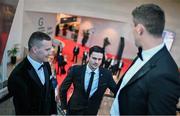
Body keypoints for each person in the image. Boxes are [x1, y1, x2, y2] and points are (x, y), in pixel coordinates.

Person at [110, 4, 180, 115]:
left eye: (133, 26)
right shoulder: (143, 54)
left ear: (139, 30)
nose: (131, 30)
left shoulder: (166, 73)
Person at [8, 31, 57, 115]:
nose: (51, 52)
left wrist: (53, 112)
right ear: (34, 49)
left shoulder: (46, 64)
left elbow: (50, 91)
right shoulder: (18, 75)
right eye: (47, 49)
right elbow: (23, 109)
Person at [59, 45, 117, 115]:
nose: (96, 62)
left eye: (99, 59)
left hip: (91, 112)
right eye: (94, 58)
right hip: (73, 110)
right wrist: (64, 106)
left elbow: (116, 90)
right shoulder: (76, 70)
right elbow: (63, 88)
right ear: (88, 57)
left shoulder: (106, 74)